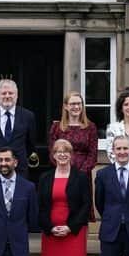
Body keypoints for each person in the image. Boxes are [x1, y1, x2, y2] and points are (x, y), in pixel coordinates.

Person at [37, 139, 90, 256]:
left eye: (65, 151)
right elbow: (40, 206)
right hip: (51, 234)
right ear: (53, 155)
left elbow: (85, 206)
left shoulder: (81, 177)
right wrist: (50, 227)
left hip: (73, 233)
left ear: (71, 155)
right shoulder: (45, 178)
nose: (62, 154)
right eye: (58, 151)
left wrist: (70, 227)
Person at [48, 92, 98, 220]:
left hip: (83, 175)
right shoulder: (56, 127)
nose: (76, 107)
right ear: (66, 106)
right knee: (62, 207)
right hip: (61, 173)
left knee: (82, 212)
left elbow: (92, 154)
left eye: (79, 103)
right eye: (72, 104)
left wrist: (79, 174)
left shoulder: (91, 127)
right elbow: (52, 152)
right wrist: (65, 170)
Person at [0, 79, 36, 178]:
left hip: (19, 169)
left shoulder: (28, 116)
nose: (7, 96)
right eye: (3, 93)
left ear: (16, 95)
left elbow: (31, 144)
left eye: (10, 93)